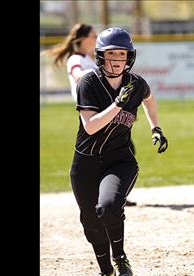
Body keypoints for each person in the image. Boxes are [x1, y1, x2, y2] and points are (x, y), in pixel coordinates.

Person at [69, 27, 168, 276]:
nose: (116, 60)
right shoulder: (88, 83)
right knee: (90, 222)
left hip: (120, 160)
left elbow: (149, 98)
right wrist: (118, 104)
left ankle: (121, 258)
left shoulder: (136, 83)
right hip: (86, 163)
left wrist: (155, 128)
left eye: (122, 54)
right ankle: (105, 274)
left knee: (109, 206)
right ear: (100, 57)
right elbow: (89, 127)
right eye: (111, 54)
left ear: (130, 57)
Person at [42, 23, 138, 206]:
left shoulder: (91, 59)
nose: (95, 39)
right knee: (106, 152)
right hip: (92, 110)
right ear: (83, 39)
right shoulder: (76, 59)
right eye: (92, 36)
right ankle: (109, 194)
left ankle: (115, 193)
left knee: (123, 149)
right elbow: (78, 74)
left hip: (109, 109)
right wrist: (94, 76)